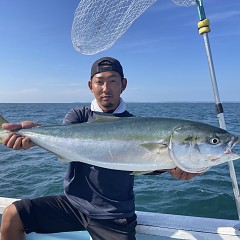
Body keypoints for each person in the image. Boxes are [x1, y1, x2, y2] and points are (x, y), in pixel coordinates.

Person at [0, 57, 200, 240]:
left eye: (113, 81)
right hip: (73, 204)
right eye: (100, 81)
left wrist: (174, 166)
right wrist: (34, 134)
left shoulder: (135, 124)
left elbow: (147, 162)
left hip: (114, 215)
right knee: (12, 215)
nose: (106, 88)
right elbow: (65, 137)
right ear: (90, 86)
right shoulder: (79, 116)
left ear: (123, 85)